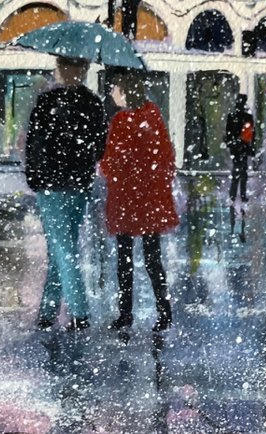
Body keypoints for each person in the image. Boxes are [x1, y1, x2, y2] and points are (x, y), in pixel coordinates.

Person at [25, 57, 106, 332]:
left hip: (51, 185)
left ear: (60, 69)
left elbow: (34, 146)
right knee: (63, 247)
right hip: (78, 184)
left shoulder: (46, 103)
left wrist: (36, 178)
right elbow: (99, 147)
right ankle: (48, 311)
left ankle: (79, 312)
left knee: (62, 248)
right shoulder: (93, 104)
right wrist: (81, 164)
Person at [100, 73, 179, 332]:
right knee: (152, 258)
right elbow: (166, 157)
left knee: (125, 258)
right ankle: (164, 312)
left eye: (115, 89)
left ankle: (125, 314)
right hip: (149, 200)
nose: (112, 93)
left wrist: (110, 168)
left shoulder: (121, 121)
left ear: (124, 92)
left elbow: (111, 162)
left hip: (127, 199)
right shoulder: (153, 117)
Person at [225, 94, 255, 240]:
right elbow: (250, 134)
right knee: (242, 170)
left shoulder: (232, 116)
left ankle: (235, 192)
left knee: (238, 169)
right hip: (242, 147)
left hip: (238, 147)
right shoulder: (246, 117)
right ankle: (241, 193)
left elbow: (229, 133)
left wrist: (233, 142)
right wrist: (247, 144)